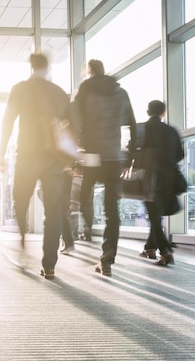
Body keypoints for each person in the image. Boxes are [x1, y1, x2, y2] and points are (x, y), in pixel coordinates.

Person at [0, 53, 70, 279]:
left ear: (30, 66)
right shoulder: (58, 92)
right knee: (53, 210)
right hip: (54, 158)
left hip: (28, 154)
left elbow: (7, 121)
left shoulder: (20, 89)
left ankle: (21, 243)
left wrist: (1, 154)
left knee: (20, 201)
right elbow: (70, 126)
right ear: (47, 67)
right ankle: (49, 264)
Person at [74, 59, 136, 276]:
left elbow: (76, 121)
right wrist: (128, 156)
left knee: (84, 196)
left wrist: (76, 154)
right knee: (112, 210)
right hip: (112, 158)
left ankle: (87, 228)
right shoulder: (120, 92)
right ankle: (107, 257)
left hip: (92, 155)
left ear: (89, 72)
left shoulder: (85, 89)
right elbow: (132, 124)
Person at [137, 100, 184, 266]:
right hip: (168, 178)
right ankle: (149, 248)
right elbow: (180, 155)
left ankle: (165, 251)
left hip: (149, 176)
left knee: (153, 215)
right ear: (163, 112)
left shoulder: (142, 128)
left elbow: (134, 150)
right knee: (156, 215)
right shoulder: (171, 130)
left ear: (148, 112)